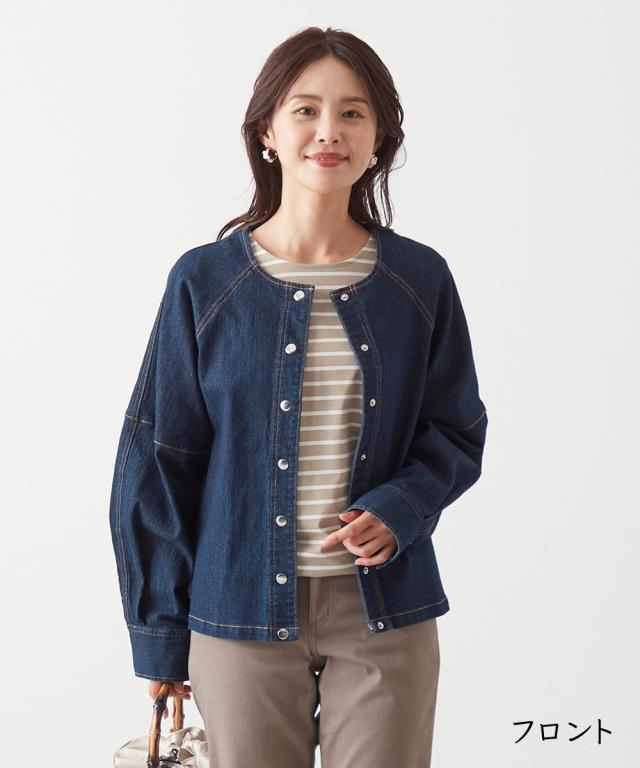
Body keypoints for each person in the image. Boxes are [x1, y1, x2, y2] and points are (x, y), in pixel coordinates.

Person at [109, 25, 488, 768]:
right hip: (237, 610)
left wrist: (402, 506)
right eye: (305, 109)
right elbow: (157, 459)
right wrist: (159, 634)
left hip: (385, 612)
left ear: (379, 137)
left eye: (353, 113)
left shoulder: (420, 280)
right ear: (267, 132)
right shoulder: (205, 282)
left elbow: (456, 428)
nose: (328, 131)